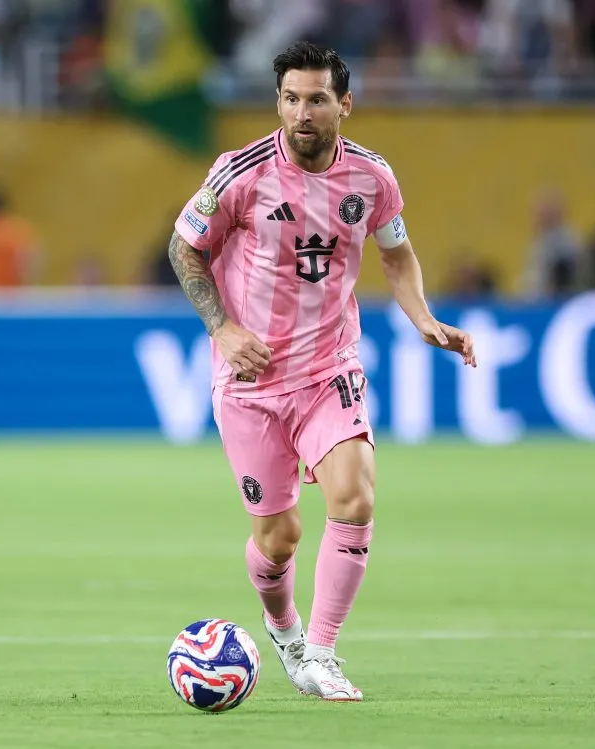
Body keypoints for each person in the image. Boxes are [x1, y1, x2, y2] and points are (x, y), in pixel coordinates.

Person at [168, 41, 476, 702]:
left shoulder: (372, 177)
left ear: (345, 104)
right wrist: (223, 328)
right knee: (279, 538)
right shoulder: (239, 173)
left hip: (328, 367)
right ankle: (284, 631)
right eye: (289, 99)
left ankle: (324, 651)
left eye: (315, 99)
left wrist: (423, 318)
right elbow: (184, 248)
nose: (301, 113)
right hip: (251, 383)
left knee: (355, 496)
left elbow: (396, 253)